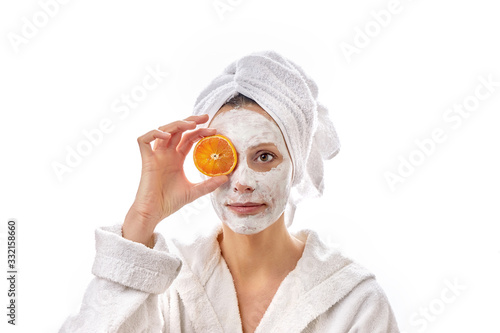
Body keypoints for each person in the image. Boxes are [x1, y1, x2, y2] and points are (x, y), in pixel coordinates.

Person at [60, 51, 400, 332]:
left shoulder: (355, 302)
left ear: (294, 167)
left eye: (264, 156)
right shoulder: (164, 285)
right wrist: (142, 218)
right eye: (224, 157)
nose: (242, 182)